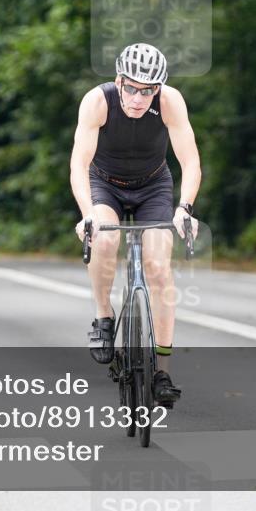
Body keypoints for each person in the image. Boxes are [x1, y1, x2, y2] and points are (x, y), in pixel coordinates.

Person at [69, 42, 201, 408]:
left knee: (159, 269)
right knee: (104, 240)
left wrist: (184, 208)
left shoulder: (170, 101)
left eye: (148, 90)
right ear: (119, 81)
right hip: (105, 184)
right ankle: (103, 316)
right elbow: (79, 164)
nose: (138, 98)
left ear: (158, 88)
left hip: (153, 185)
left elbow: (190, 162)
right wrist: (87, 213)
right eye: (131, 88)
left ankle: (162, 371)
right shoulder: (98, 101)